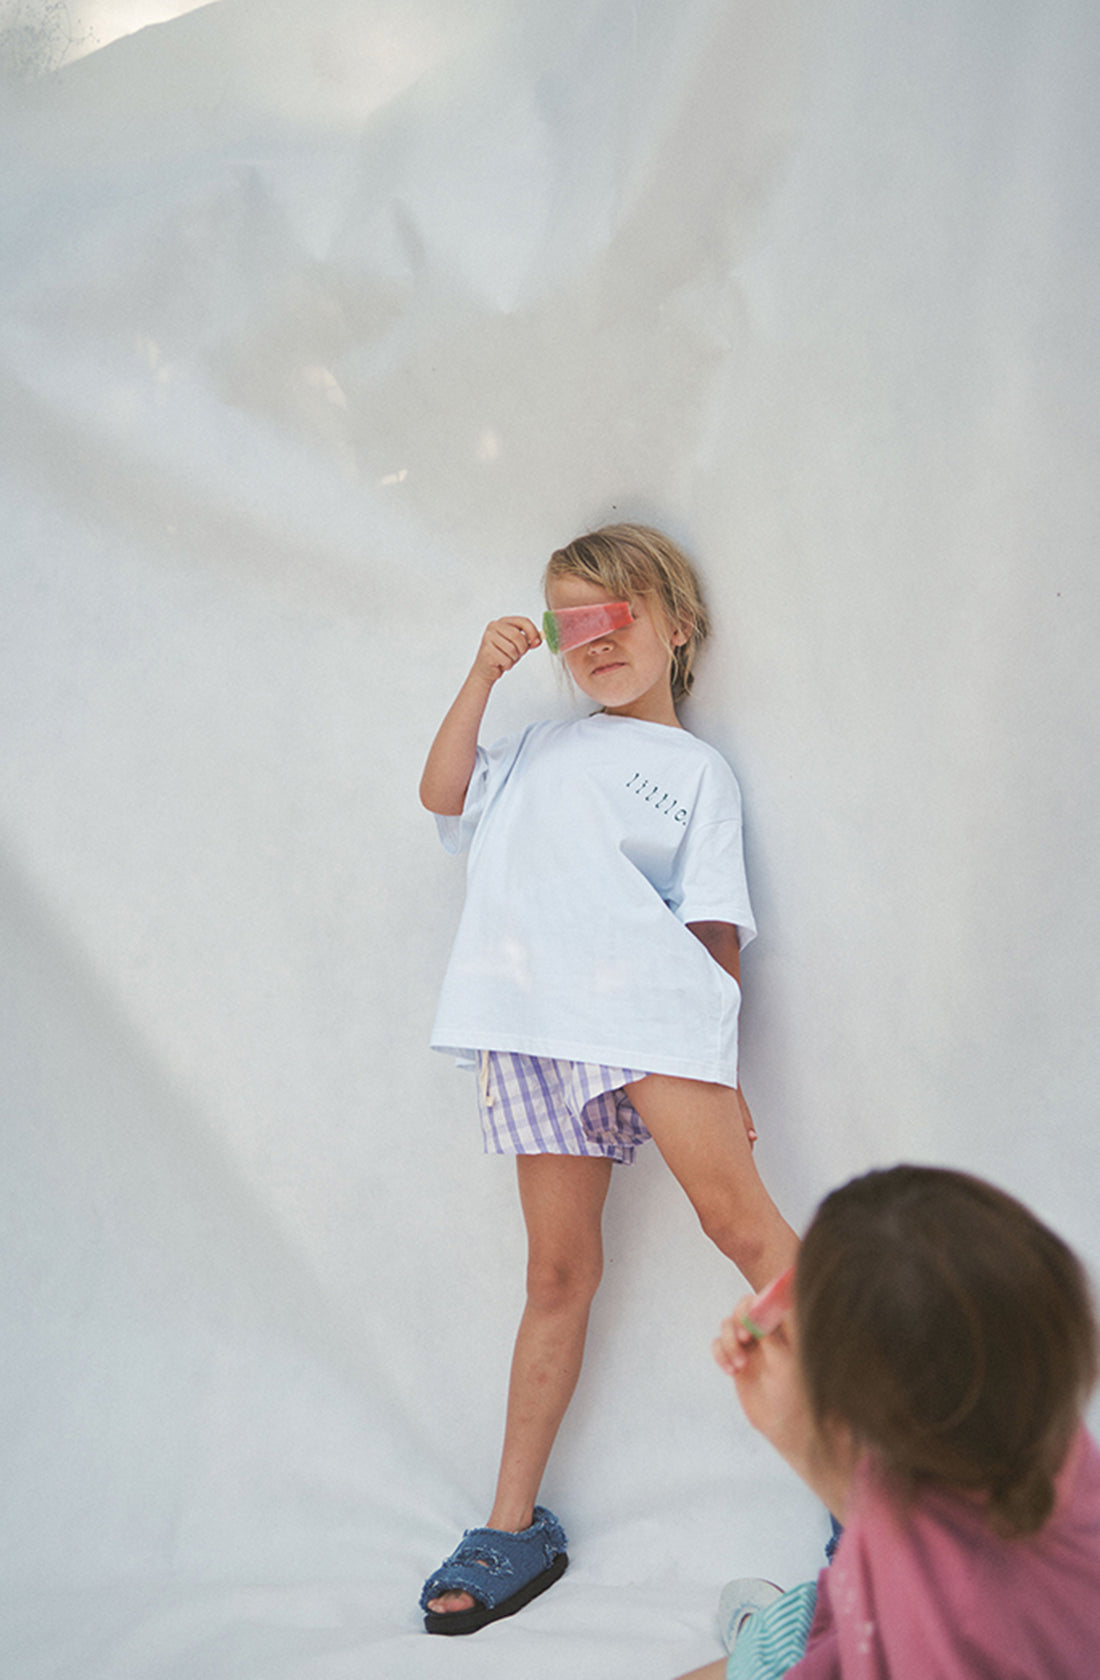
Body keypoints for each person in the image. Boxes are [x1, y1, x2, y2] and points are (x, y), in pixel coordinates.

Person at [418, 523, 799, 1634]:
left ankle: (892, 1474)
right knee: (555, 1273)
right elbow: (443, 797)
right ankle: (509, 1523)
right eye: (572, 622)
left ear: (678, 628)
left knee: (745, 1234)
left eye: (621, 612)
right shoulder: (534, 748)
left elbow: (714, 926)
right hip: (530, 1026)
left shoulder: (695, 772)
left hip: (651, 1020)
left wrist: (723, 1073)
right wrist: (483, 675)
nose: (598, 638)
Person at [677, 1164, 1100, 1679]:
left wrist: (795, 1436)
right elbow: (890, 1533)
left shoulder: (942, 1625)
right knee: (783, 1631)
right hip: (862, 1613)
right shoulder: (1031, 1419)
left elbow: (903, 1561)